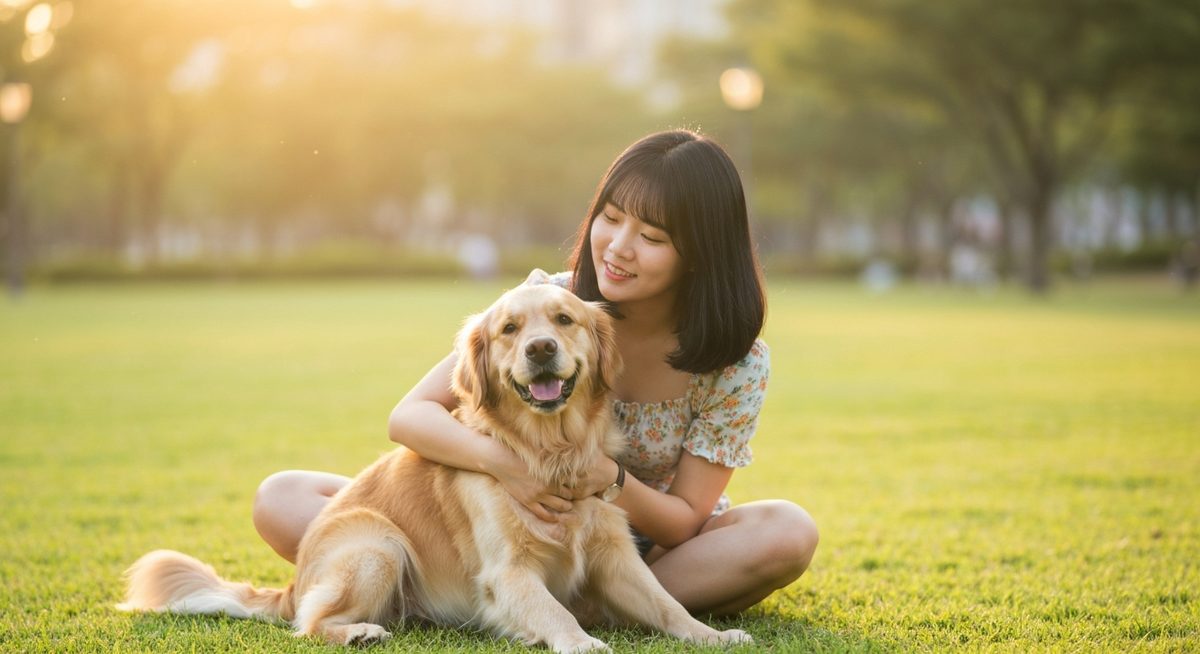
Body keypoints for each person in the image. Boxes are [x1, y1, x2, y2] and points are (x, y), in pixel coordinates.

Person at [253, 130, 819, 616]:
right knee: (283, 496)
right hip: (512, 525)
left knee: (788, 533)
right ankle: (502, 590)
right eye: (610, 219)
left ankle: (587, 602)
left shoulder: (736, 364)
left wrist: (604, 477)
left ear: (698, 253)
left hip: (649, 547)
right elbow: (410, 417)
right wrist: (513, 469)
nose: (618, 248)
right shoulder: (547, 304)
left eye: (651, 237)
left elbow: (684, 522)